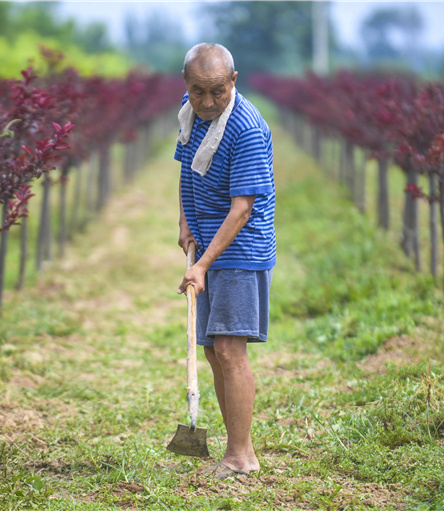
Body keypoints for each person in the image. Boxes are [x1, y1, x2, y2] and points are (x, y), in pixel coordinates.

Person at [175, 42, 276, 480]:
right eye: (199, 91)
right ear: (187, 85)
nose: (208, 102)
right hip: (209, 244)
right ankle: (242, 448)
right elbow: (185, 167)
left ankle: (240, 457)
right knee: (214, 350)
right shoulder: (191, 111)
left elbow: (242, 209)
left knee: (231, 351)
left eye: (218, 91)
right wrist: (183, 220)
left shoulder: (246, 128)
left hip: (240, 251)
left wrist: (201, 266)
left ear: (233, 81)